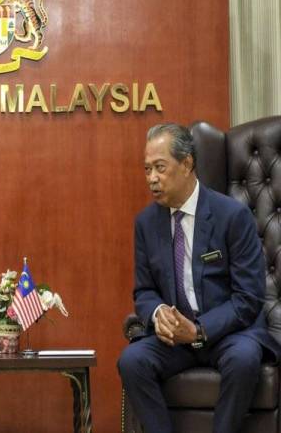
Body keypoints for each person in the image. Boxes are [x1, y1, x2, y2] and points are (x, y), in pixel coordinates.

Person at [118, 123, 279, 433]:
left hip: (228, 333)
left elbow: (248, 298)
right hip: (175, 340)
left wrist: (199, 330)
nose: (151, 178)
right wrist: (158, 314)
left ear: (187, 163)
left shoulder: (232, 216)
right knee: (131, 361)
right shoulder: (146, 223)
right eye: (147, 169)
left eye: (160, 167)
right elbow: (144, 290)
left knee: (244, 359)